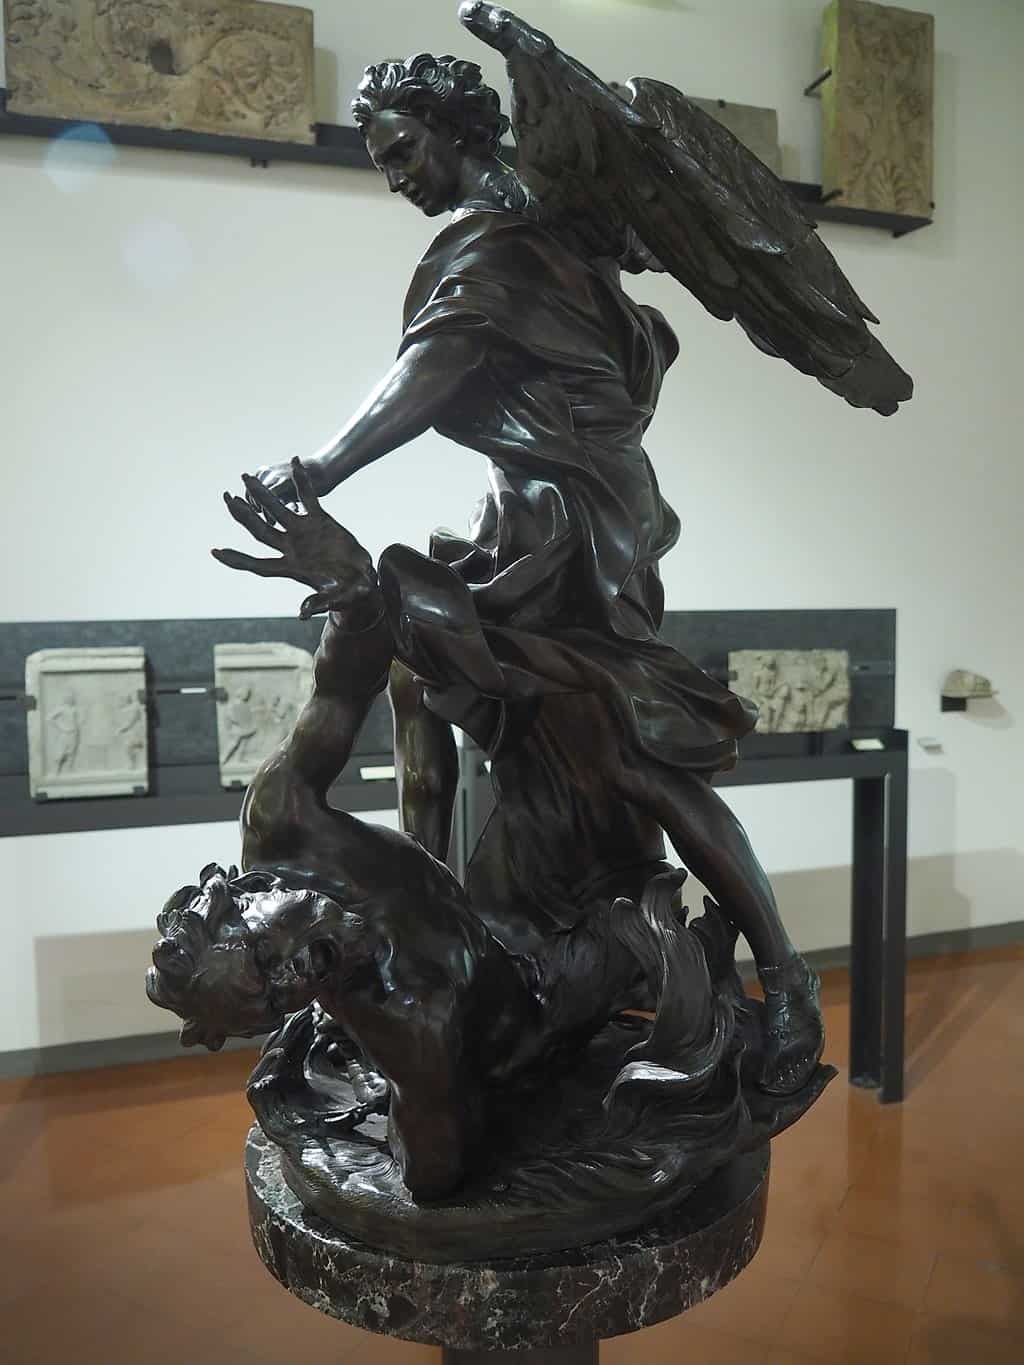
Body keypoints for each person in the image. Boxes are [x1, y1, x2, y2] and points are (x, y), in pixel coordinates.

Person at [243, 54, 822, 1094]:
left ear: (458, 128)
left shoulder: (504, 244)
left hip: (574, 521)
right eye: (381, 164)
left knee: (632, 753)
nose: (397, 179)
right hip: (532, 511)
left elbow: (437, 363)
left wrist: (319, 468)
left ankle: (785, 978)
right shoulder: (546, 233)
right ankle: (442, 932)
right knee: (440, 677)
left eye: (403, 151)